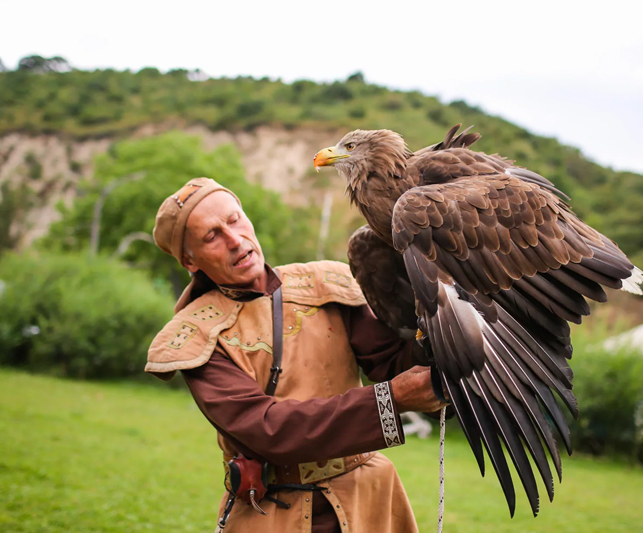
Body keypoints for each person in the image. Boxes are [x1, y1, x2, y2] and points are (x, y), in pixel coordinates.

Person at [146, 177, 444, 533]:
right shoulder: (194, 338)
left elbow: (394, 360)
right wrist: (391, 400)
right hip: (274, 512)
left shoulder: (326, 283)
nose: (235, 240)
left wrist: (451, 330)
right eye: (212, 236)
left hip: (369, 501)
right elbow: (267, 429)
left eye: (235, 219)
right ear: (189, 261)